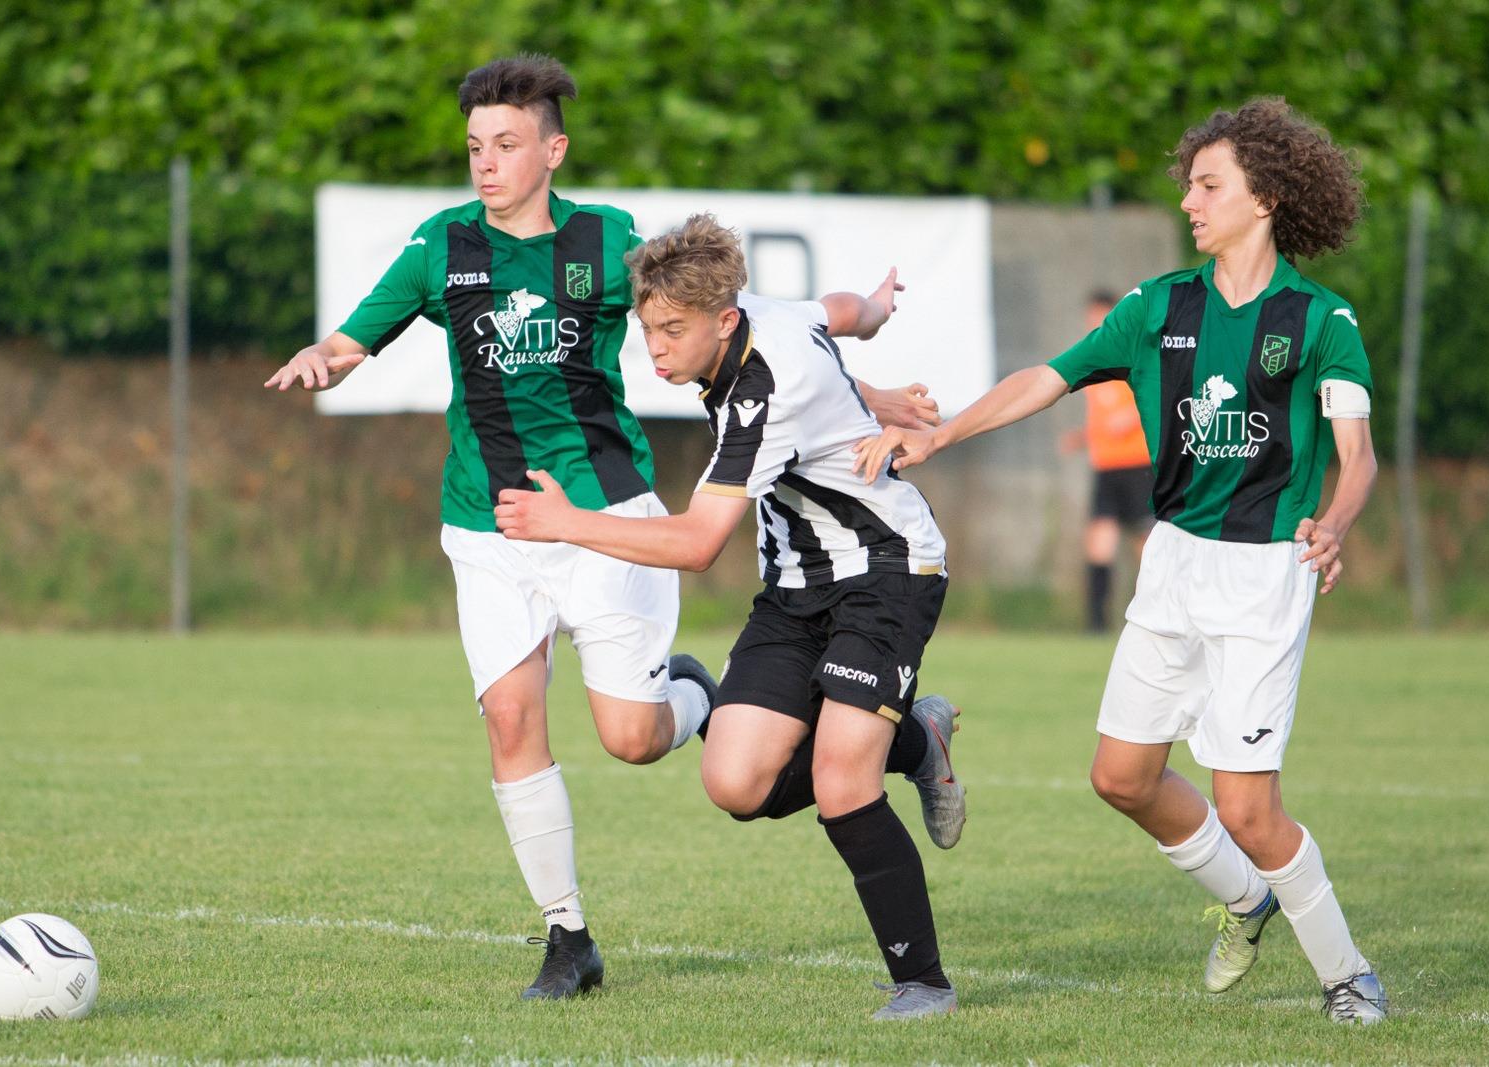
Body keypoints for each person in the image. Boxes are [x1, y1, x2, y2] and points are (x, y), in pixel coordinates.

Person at [264, 55, 939, 1001]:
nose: (485, 164)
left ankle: (693, 696)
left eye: (505, 144)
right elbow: (352, 337)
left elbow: (734, 332)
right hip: (488, 524)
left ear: (553, 149)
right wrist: (324, 359)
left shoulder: (604, 243)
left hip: (605, 512)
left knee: (629, 737)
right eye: (473, 147)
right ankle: (567, 939)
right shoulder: (439, 246)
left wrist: (863, 355)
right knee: (510, 718)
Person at [853, 98, 1387, 1024]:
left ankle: (1349, 975)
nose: (1190, 200)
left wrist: (1335, 520)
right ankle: (1247, 898)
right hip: (1173, 560)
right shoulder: (1156, 307)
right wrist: (942, 434)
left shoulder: (1319, 319)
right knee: (1120, 777)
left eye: (1208, 184)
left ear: (1264, 198)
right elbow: (1044, 379)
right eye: (1189, 185)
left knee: (1251, 811)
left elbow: (1359, 453)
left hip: (1265, 573)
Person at [494, 214, 965, 1021]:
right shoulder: (756, 317)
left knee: (841, 779)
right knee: (736, 782)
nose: (657, 347)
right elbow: (836, 310)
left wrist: (565, 523)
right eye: (648, 329)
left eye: (673, 330)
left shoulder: (761, 390)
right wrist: (877, 313)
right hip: (793, 586)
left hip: (886, 569)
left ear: (722, 318)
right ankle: (917, 735)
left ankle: (923, 980)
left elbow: (699, 542)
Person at [1059, 290, 1154, 632]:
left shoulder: (1136, 354)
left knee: (1146, 543)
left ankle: (1150, 616)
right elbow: (1102, 418)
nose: (1094, 326)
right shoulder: (1095, 364)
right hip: (1106, 466)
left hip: (1137, 464)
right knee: (1100, 540)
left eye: (1100, 319)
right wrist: (1082, 437)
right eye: (1090, 320)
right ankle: (1096, 624)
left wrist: (1129, 418)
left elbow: (1157, 399)